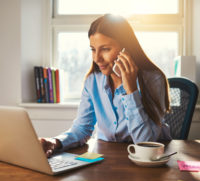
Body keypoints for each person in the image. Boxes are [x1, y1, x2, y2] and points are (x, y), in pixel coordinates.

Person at [40, 14, 172, 157]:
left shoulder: (153, 79)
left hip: (147, 161)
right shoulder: (93, 81)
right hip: (106, 159)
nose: (97, 58)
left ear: (125, 49)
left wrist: (130, 89)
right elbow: (82, 129)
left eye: (105, 49)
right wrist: (55, 141)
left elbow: (145, 142)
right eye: (93, 49)